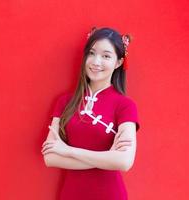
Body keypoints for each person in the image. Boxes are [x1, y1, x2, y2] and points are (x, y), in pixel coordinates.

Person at [41, 27, 140, 200]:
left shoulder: (125, 106)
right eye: (92, 53)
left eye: (106, 56)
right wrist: (108, 158)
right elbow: (50, 158)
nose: (96, 61)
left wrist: (67, 150)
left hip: (110, 195)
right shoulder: (65, 102)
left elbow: (124, 162)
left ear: (118, 62)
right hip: (71, 194)